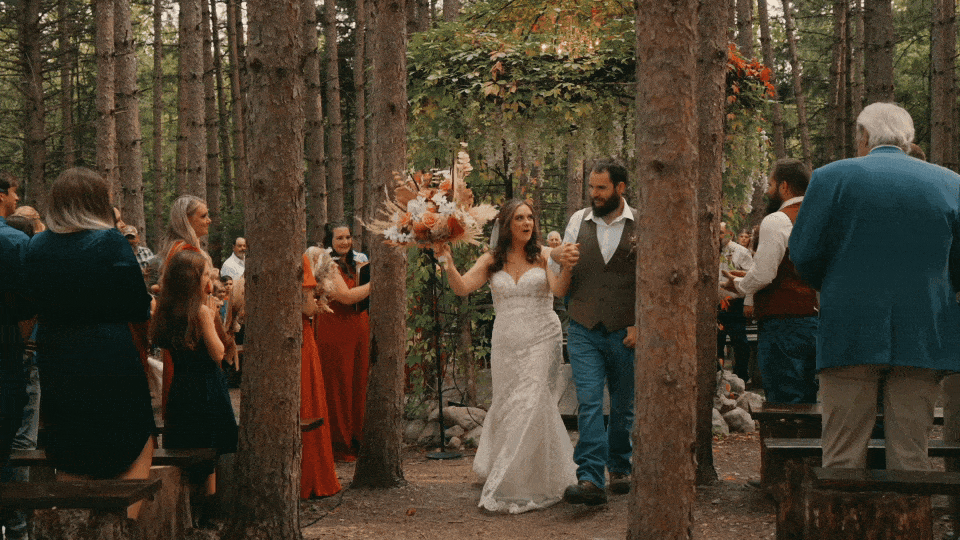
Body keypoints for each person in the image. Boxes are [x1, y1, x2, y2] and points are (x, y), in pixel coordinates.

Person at [790, 102, 960, 471]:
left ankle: (842, 527)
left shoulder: (830, 177)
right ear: (908, 139)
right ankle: (910, 527)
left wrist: (836, 285)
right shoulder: (950, 182)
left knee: (841, 453)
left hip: (849, 326)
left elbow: (803, 254)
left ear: (864, 136)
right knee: (913, 456)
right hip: (923, 332)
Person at [24, 167, 155, 518]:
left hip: (57, 356)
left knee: (72, 448)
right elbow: (137, 305)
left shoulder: (36, 246)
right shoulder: (110, 241)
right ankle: (124, 527)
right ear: (98, 203)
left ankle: (78, 526)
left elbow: (29, 304)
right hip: (108, 353)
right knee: (135, 439)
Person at [437, 199, 577, 513]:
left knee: (531, 401)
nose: (527, 223)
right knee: (511, 404)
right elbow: (462, 288)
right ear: (506, 224)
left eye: (530, 217)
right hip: (506, 343)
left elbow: (558, 291)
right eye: (519, 218)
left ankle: (509, 481)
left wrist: (566, 265)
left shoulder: (543, 255)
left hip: (543, 337)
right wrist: (447, 263)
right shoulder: (491, 259)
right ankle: (531, 473)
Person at [551, 158, 636, 505]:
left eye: (601, 188)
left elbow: (651, 281)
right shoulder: (577, 220)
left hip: (624, 330)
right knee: (588, 401)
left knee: (623, 405)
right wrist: (560, 258)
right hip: (584, 326)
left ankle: (619, 466)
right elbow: (564, 269)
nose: (594, 194)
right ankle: (589, 478)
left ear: (620, 188)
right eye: (591, 187)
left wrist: (641, 324)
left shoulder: (641, 224)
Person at [151, 249, 237, 527]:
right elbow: (217, 352)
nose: (209, 278)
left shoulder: (166, 310)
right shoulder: (200, 311)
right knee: (209, 452)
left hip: (181, 388)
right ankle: (207, 514)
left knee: (187, 448)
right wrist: (212, 318)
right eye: (204, 274)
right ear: (194, 280)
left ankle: (185, 511)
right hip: (207, 388)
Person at [722, 159, 819, 404]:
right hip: (814, 320)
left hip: (782, 323)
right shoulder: (819, 216)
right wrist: (750, 276)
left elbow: (765, 274)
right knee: (807, 394)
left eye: (771, 184)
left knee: (783, 396)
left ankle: (785, 440)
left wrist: (740, 286)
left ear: (785, 187)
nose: (767, 190)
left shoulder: (777, 220)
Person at [314, 224, 370, 461]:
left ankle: (357, 437)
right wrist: (377, 283)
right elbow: (346, 297)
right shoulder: (326, 263)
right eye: (339, 238)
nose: (345, 242)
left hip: (358, 329)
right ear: (329, 240)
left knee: (358, 383)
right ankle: (340, 443)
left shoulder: (356, 262)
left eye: (348, 237)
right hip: (335, 330)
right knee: (339, 384)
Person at [159, 195, 214, 415]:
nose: (209, 220)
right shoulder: (185, 252)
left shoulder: (182, 249)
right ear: (186, 220)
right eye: (203, 216)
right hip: (191, 337)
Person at [0, 173, 32, 539]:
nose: (17, 198)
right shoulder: (13, 242)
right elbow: (30, 304)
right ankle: (16, 528)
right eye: (13, 192)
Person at [300, 248, 342, 498]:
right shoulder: (300, 259)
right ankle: (313, 476)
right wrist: (318, 304)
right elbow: (306, 306)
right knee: (308, 400)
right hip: (302, 335)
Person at [717, 221, 753, 382]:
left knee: (739, 342)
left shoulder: (741, 251)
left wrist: (749, 302)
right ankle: (717, 379)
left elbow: (751, 277)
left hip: (734, 304)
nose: (717, 237)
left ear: (730, 234)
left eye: (720, 233)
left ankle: (741, 377)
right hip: (715, 304)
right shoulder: (708, 248)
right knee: (716, 342)